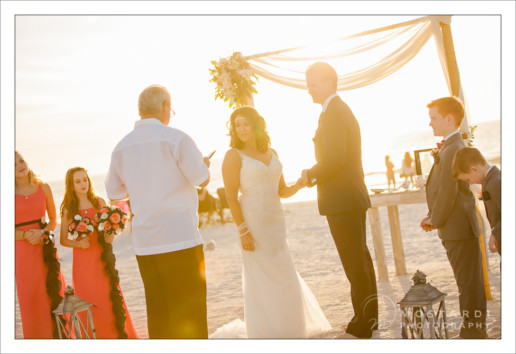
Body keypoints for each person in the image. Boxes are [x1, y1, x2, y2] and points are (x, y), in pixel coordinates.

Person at [215, 106, 331, 339]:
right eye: (237, 124)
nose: (241, 129)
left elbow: (281, 190)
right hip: (253, 224)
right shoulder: (233, 155)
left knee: (285, 274)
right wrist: (243, 230)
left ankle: (290, 327)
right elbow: (230, 197)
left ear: (256, 125)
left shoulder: (272, 151)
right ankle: (267, 331)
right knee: (262, 280)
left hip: (276, 222)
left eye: (245, 123)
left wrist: (299, 185)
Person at [105, 84, 210, 339]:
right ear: (165, 107)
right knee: (192, 312)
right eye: (170, 109)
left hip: (146, 244)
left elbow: (115, 193)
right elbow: (201, 179)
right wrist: (203, 165)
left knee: (160, 314)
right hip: (181, 238)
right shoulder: (177, 138)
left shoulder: (121, 147)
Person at [300, 61, 378, 339]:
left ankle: (363, 323)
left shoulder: (334, 112)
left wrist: (309, 174)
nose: (309, 89)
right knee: (361, 259)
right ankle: (369, 318)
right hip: (348, 197)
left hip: (343, 199)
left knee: (355, 263)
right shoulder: (333, 110)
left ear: (330, 82)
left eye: (314, 83)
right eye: (308, 84)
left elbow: (335, 158)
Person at [420, 96, 487, 338]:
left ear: (449, 119)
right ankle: (473, 330)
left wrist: (434, 220)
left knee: (469, 284)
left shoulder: (453, 150)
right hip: (454, 226)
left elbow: (448, 193)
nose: (430, 124)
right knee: (467, 283)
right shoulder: (448, 148)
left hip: (459, 227)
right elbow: (441, 189)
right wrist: (432, 216)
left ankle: (474, 332)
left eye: (434, 118)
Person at [60, 167, 138, 338]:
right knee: (90, 301)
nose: (83, 184)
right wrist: (79, 244)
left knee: (109, 300)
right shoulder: (68, 208)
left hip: (103, 260)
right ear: (71, 185)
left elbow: (108, 232)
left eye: (85, 179)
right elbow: (63, 240)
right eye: (78, 181)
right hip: (83, 263)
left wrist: (110, 237)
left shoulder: (99, 203)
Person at [15, 151, 68, 338]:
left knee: (53, 291)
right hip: (21, 250)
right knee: (31, 296)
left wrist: (42, 233)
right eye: (14, 164)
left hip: (45, 245)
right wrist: (26, 234)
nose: (20, 165)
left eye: (21, 160)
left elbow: (54, 219)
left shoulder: (43, 187)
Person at [452, 147, 501, 255]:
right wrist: (495, 233)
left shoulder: (496, 183)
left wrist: (496, 233)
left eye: (468, 179)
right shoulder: (491, 180)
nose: (470, 183)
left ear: (474, 169)